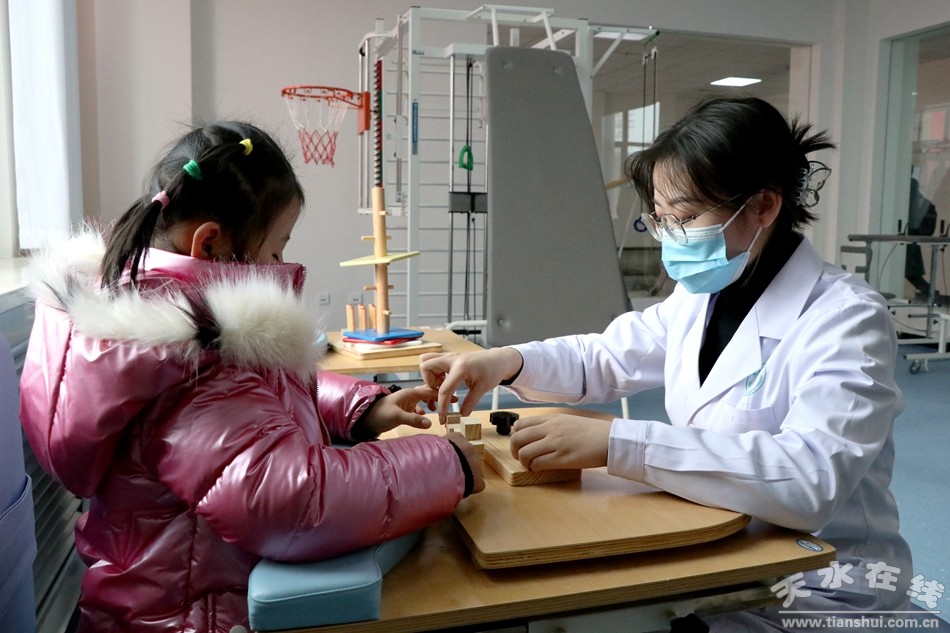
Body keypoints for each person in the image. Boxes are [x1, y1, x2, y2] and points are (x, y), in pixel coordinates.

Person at [420, 97, 912, 632]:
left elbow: (809, 478)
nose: (672, 235)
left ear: (764, 206)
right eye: (661, 218)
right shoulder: (702, 296)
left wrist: (620, 444)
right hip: (720, 557)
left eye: (686, 217)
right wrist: (506, 361)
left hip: (816, 590)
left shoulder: (846, 319)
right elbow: (606, 356)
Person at [19, 120, 484, 633]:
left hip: (151, 602)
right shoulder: (195, 358)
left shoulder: (147, 320)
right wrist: (448, 463)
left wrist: (360, 406)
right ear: (210, 244)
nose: (283, 264)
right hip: (192, 617)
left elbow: (253, 405)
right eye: (277, 249)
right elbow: (290, 502)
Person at [905, 176, 937, 300]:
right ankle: (930, 292)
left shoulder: (922, 204)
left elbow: (926, 228)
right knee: (912, 273)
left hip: (910, 242)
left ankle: (930, 293)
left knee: (912, 273)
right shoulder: (916, 202)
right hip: (909, 242)